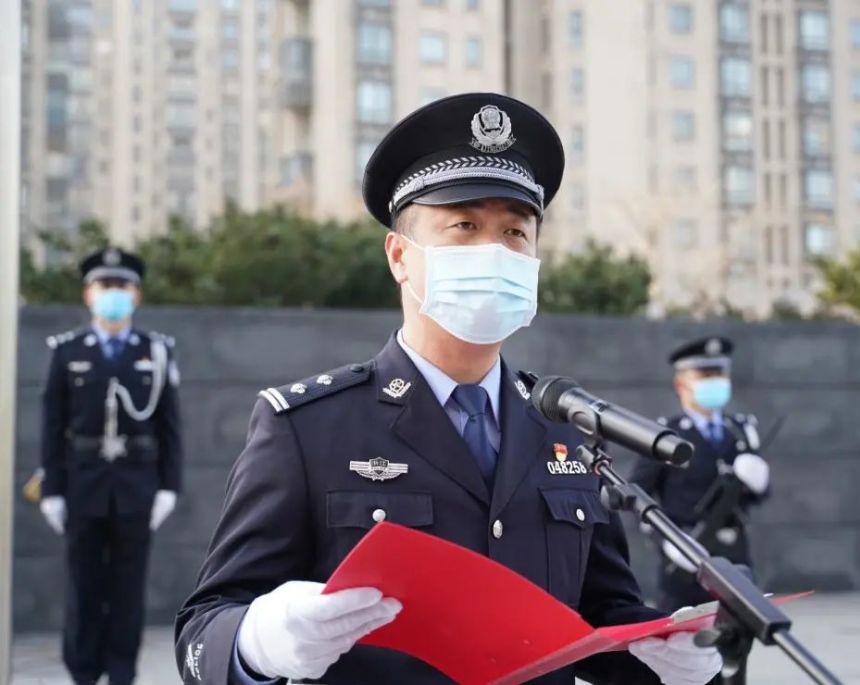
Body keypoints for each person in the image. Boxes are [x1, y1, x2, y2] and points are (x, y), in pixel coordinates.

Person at [174, 93, 721, 685]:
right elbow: (201, 632)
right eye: (464, 226)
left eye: (515, 232)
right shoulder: (307, 428)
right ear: (399, 256)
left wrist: (665, 654)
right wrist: (257, 641)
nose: (495, 251)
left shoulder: (563, 428)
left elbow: (599, 617)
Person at [39, 247, 183, 685]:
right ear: (88, 294)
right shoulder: (66, 351)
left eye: (122, 286)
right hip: (82, 483)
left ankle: (122, 673)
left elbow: (170, 426)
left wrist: (168, 487)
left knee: (127, 589)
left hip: (137, 485)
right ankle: (83, 672)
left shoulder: (156, 351)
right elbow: (52, 426)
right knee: (83, 586)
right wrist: (51, 491)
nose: (114, 294)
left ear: (136, 296)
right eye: (105, 285)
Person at [630, 337, 770, 683]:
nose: (715, 383)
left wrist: (759, 482)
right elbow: (635, 494)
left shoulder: (741, 429)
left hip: (734, 563)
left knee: (734, 660)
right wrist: (667, 540)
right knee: (684, 667)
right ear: (681, 384)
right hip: (685, 567)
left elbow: (754, 498)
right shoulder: (665, 434)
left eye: (719, 374)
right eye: (704, 375)